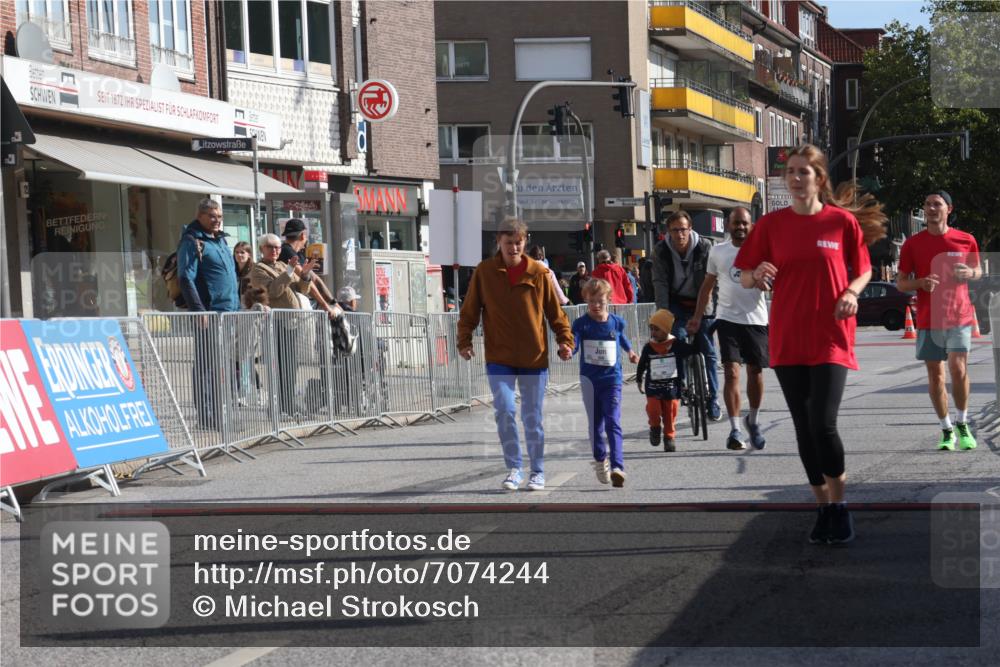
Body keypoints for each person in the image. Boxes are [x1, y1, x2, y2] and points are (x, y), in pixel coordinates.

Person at [734, 143, 885, 545]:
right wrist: (757, 273)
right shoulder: (771, 225)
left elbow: (864, 269)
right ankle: (822, 507)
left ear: (820, 179)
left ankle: (840, 504)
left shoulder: (840, 223)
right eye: (792, 172)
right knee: (803, 429)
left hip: (831, 336)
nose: (797, 179)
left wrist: (852, 292)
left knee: (823, 422)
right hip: (787, 336)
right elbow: (745, 275)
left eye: (805, 172)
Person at [457, 218, 574, 492]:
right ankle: (514, 468)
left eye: (518, 242)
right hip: (499, 356)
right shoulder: (485, 272)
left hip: (534, 356)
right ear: (499, 241)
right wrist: (464, 341)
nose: (513, 247)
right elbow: (470, 311)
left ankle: (538, 471)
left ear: (525, 242)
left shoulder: (539, 273)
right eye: (508, 242)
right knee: (505, 410)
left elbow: (556, 314)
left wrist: (564, 341)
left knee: (531, 417)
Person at [896, 191, 981, 451]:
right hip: (929, 318)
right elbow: (901, 283)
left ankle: (962, 422)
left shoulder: (965, 240)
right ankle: (946, 429)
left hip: (959, 315)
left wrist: (970, 272)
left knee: (958, 368)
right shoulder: (913, 244)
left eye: (937, 204)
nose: (931, 208)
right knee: (935, 375)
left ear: (949, 209)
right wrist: (920, 283)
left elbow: (978, 271)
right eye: (928, 204)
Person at [688, 207, 769, 451]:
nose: (740, 227)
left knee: (755, 372)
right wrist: (697, 317)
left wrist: (766, 282)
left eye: (744, 223)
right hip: (727, 319)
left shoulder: (762, 250)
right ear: (728, 225)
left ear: (751, 225)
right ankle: (734, 429)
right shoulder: (718, 252)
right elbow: (707, 287)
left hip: (756, 319)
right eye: (736, 223)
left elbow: (773, 280)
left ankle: (752, 421)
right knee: (732, 372)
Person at [651, 210, 722, 421]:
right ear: (668, 232)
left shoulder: (705, 247)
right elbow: (660, 283)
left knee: (708, 349)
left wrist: (711, 311)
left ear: (690, 229)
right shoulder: (661, 251)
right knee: (678, 339)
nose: (680, 234)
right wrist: (663, 315)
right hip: (677, 303)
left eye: (683, 229)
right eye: (675, 230)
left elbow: (713, 281)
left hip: (702, 301)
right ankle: (682, 383)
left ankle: (714, 399)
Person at [177, 198, 240, 429]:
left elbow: (232, 278)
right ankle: (207, 417)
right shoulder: (192, 241)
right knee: (207, 365)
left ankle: (222, 413)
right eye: (212, 216)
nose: (217, 221)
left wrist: (238, 308)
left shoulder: (220, 241)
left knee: (221, 364)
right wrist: (199, 311)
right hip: (209, 313)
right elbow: (185, 277)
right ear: (200, 216)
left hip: (228, 312)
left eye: (220, 217)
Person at [571, 279, 640, 487]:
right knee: (595, 426)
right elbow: (574, 344)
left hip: (612, 380)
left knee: (613, 421)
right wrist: (567, 350)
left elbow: (622, 338)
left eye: (600, 301)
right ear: (586, 300)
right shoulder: (581, 323)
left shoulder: (616, 322)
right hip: (589, 382)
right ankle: (601, 460)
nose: (596, 305)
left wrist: (630, 351)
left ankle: (618, 466)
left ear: (608, 299)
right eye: (591, 301)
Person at [250, 233, 321, 415]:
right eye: (270, 247)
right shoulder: (258, 269)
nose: (275, 250)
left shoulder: (282, 265)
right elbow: (273, 291)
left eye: (277, 247)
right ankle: (277, 405)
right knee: (279, 366)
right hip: (275, 323)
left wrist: (304, 276)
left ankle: (288, 402)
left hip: (292, 322)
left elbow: (302, 290)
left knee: (291, 364)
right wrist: (290, 272)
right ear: (261, 249)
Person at [636, 309, 695, 452]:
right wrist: (639, 380)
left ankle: (669, 437)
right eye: (651, 329)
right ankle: (655, 428)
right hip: (653, 387)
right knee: (653, 410)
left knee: (671, 412)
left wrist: (696, 333)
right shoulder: (648, 347)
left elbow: (694, 349)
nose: (653, 332)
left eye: (657, 329)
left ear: (666, 329)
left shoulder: (676, 344)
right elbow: (642, 364)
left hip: (672, 388)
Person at [280, 218, 340, 318]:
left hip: (299, 308)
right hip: (289, 311)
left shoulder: (298, 253)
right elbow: (310, 283)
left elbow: (315, 279)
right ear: (303, 235)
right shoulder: (287, 251)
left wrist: (334, 304)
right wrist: (326, 306)